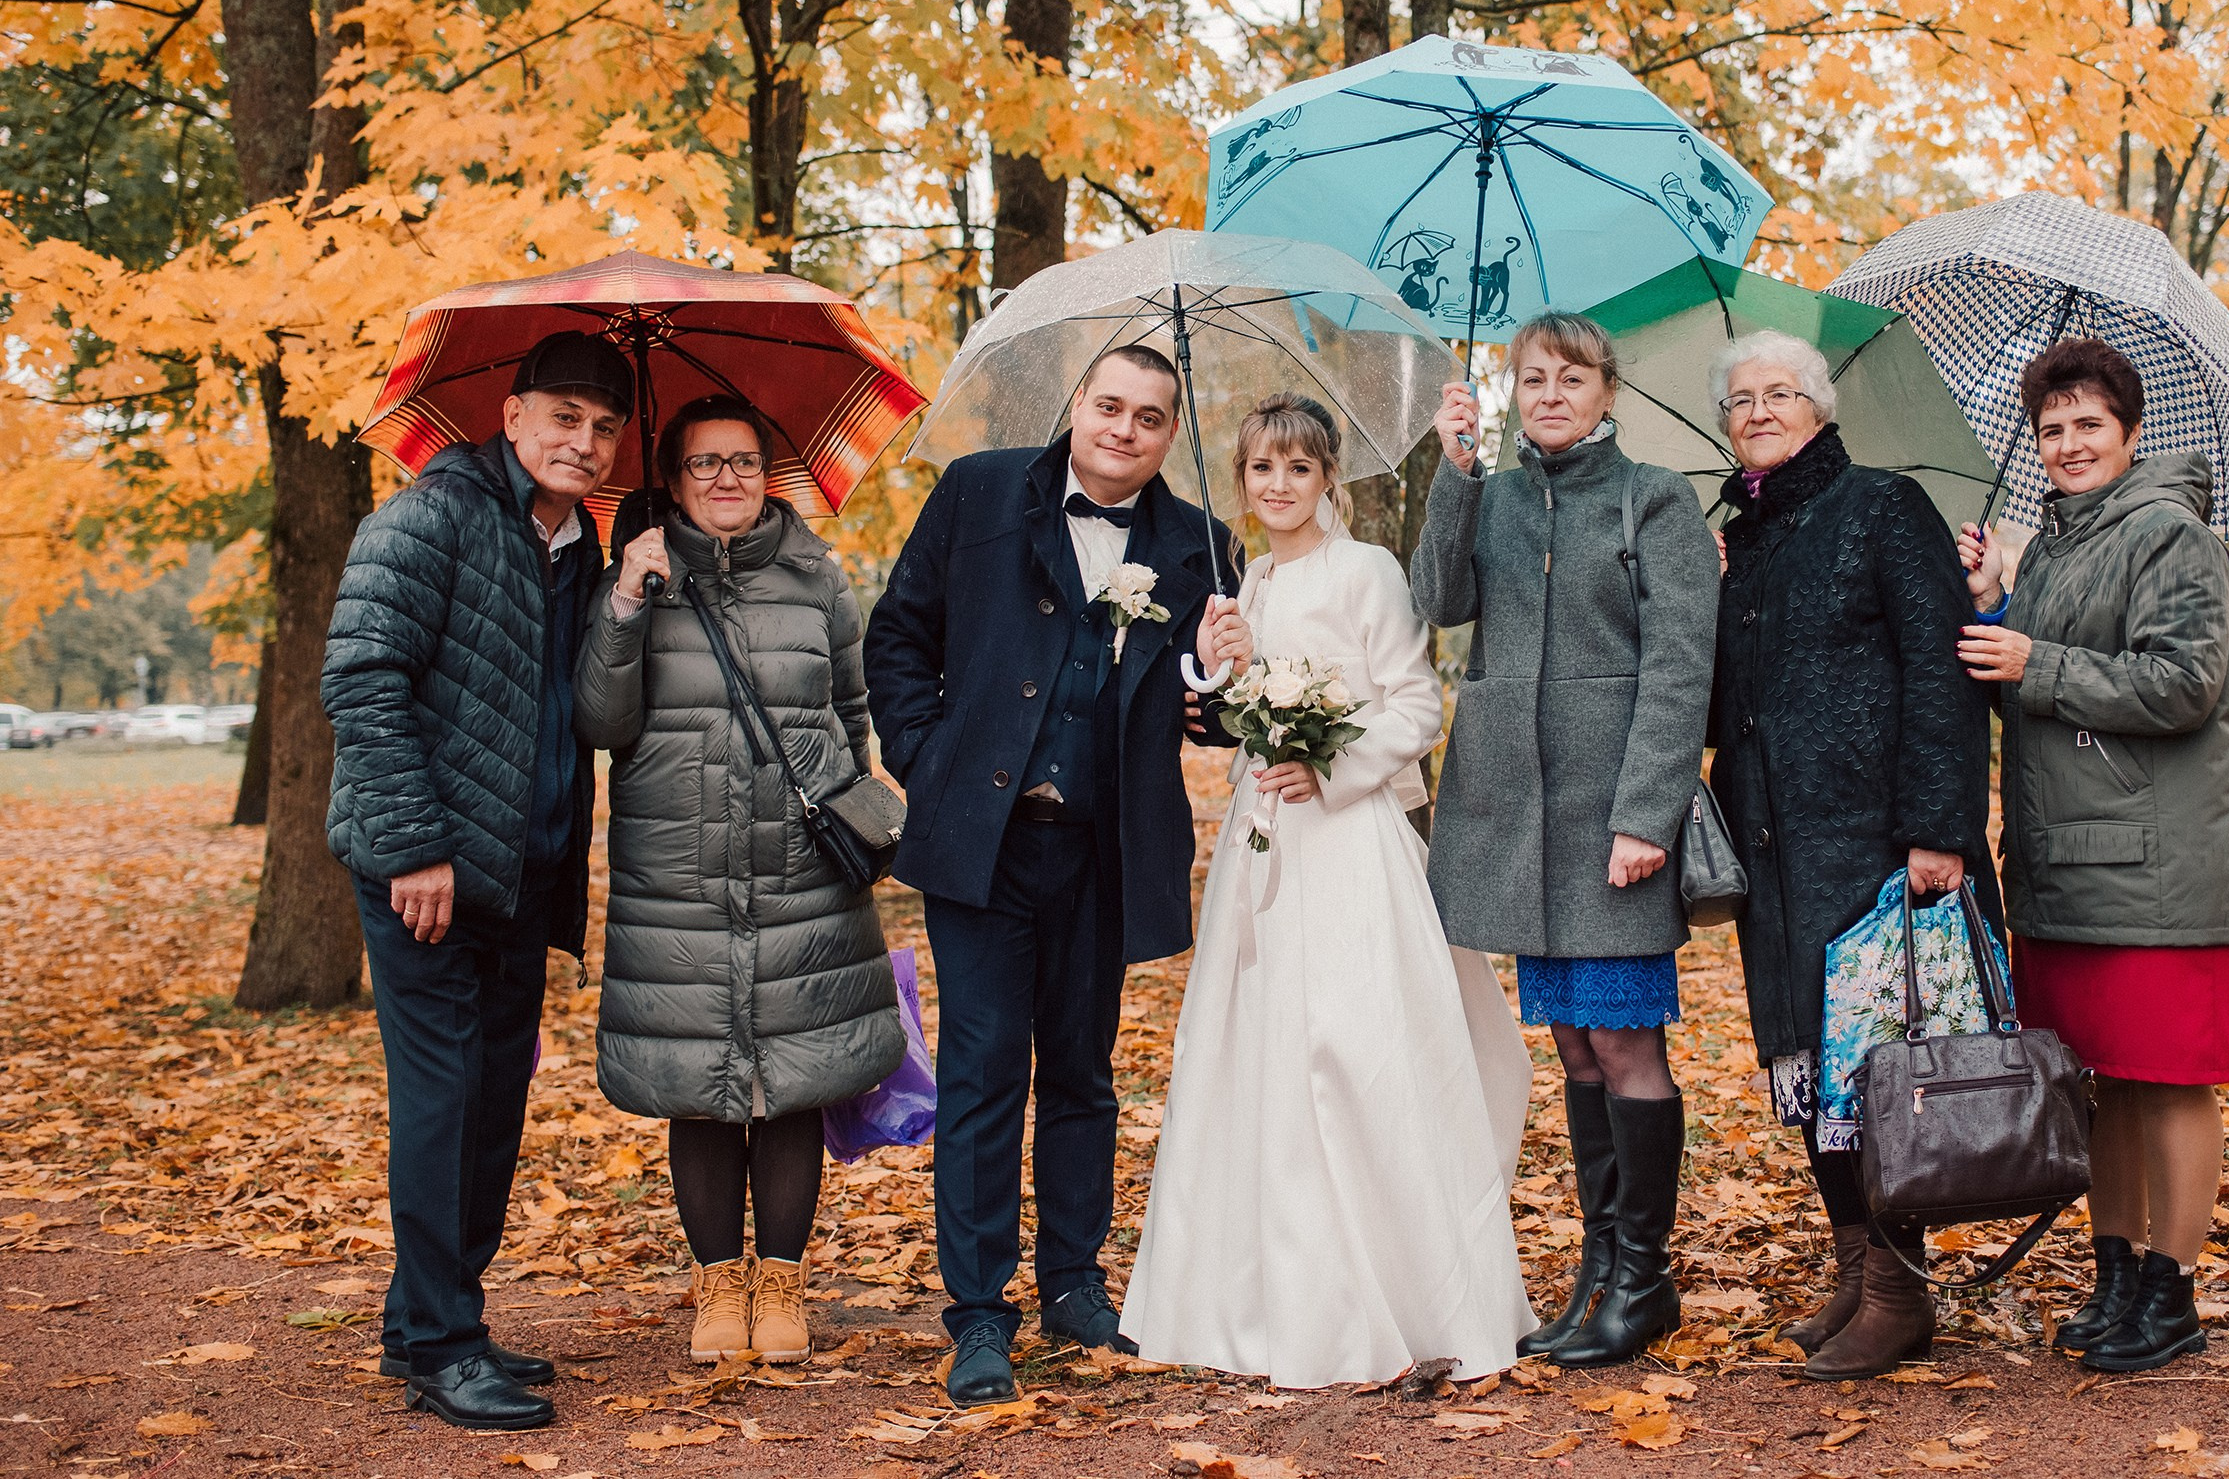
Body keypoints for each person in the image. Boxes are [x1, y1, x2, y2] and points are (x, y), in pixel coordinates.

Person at [1121, 395, 1535, 1385]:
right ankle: (1261, 1298)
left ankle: (1393, 1295)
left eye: (1298, 469)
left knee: (1352, 1055)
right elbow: (1236, 716)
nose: (1278, 486)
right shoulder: (1249, 579)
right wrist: (1217, 671)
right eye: (1261, 468)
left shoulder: (1368, 570)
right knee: (1254, 1053)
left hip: (1349, 843)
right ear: (1243, 478)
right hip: (1260, 847)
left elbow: (1414, 705)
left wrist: (1329, 765)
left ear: (1327, 477)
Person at [864, 345, 1240, 1406]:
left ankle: (1074, 1281)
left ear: (1171, 434)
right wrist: (929, 762)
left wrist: (1220, 673)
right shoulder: (979, 490)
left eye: (1150, 416)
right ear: (1076, 405)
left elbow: (1209, 718)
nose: (1124, 428)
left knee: (1082, 1072)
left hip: (1105, 850)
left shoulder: (1198, 545)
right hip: (981, 845)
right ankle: (979, 1312)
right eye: (1108, 405)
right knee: (985, 1075)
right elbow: (897, 636)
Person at [321, 329, 631, 1430]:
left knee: (492, 1103)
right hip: (426, 871)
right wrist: (411, 846)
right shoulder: (432, 513)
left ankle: (432, 1314)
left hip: (518, 871)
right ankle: (442, 1349)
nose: (583, 442)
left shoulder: (577, 541)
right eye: (562, 418)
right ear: (509, 417)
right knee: (444, 1101)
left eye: (603, 428)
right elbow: (359, 676)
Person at [1412, 311, 1718, 1370]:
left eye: (1570, 377)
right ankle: (1597, 1266)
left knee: (1627, 1043)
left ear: (1605, 391)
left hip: (1610, 817)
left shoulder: (1655, 498)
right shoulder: (1492, 495)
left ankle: (1645, 1276)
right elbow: (1435, 602)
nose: (1549, 393)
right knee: (1575, 1045)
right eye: (1531, 378)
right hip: (1520, 822)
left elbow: (1682, 665)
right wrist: (1450, 473)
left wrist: (1647, 812)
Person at [574, 394, 906, 1368]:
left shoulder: (817, 581)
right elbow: (598, 718)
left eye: (743, 460)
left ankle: (781, 1281)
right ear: (672, 481)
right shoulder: (634, 575)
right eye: (703, 462)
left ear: (769, 472)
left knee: (795, 1083)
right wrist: (628, 601)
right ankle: (718, 1282)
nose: (725, 477)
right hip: (676, 874)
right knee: (701, 1088)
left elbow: (851, 715)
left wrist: (842, 804)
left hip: (802, 869)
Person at [1956, 337, 2229, 1374]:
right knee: (2104, 1081)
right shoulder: (2048, 544)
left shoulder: (2173, 534)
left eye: (2089, 423)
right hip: (2066, 861)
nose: (2069, 442)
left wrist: (2034, 657)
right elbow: (2031, 687)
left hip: (2160, 866)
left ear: (2131, 432)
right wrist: (1996, 604)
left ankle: (2169, 1289)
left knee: (2169, 1080)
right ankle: (2120, 1270)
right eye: (2052, 428)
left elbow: (2179, 685)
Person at [1707, 329, 1995, 1382]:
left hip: (1874, 844)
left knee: (1873, 1075)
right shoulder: (1744, 538)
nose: (1759, 409)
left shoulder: (1882, 505)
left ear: (1820, 407)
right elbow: (1725, 705)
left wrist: (1939, 826)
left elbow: (1942, 668)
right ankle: (1855, 1263)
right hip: (1776, 849)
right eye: (1740, 399)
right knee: (1809, 1073)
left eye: (1781, 391)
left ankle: (1898, 1290)